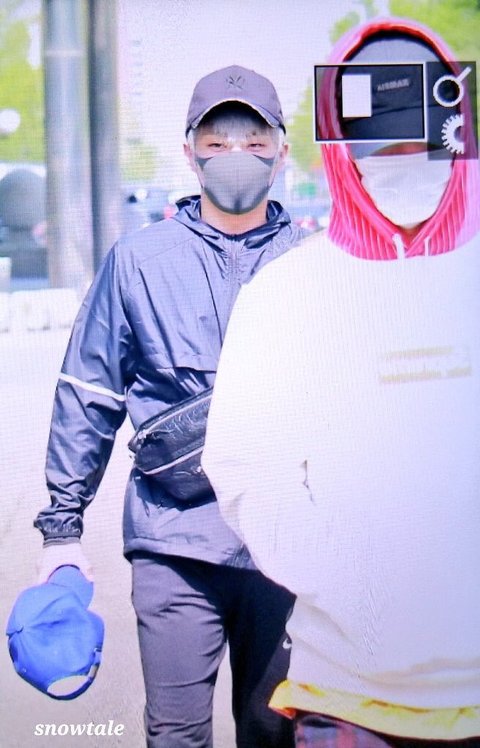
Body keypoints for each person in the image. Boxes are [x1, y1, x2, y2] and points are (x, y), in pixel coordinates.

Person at [202, 19, 480, 747]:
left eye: (419, 142)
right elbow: (247, 469)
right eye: (379, 145)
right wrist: (360, 585)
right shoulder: (287, 292)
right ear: (340, 148)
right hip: (350, 693)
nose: (402, 162)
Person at [34, 65, 303, 748]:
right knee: (175, 735)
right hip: (172, 541)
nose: (236, 155)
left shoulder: (315, 263)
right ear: (190, 153)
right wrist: (61, 530)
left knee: (276, 733)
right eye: (217, 142)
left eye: (255, 141)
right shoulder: (138, 260)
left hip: (290, 547)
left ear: (282, 151)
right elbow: (89, 392)